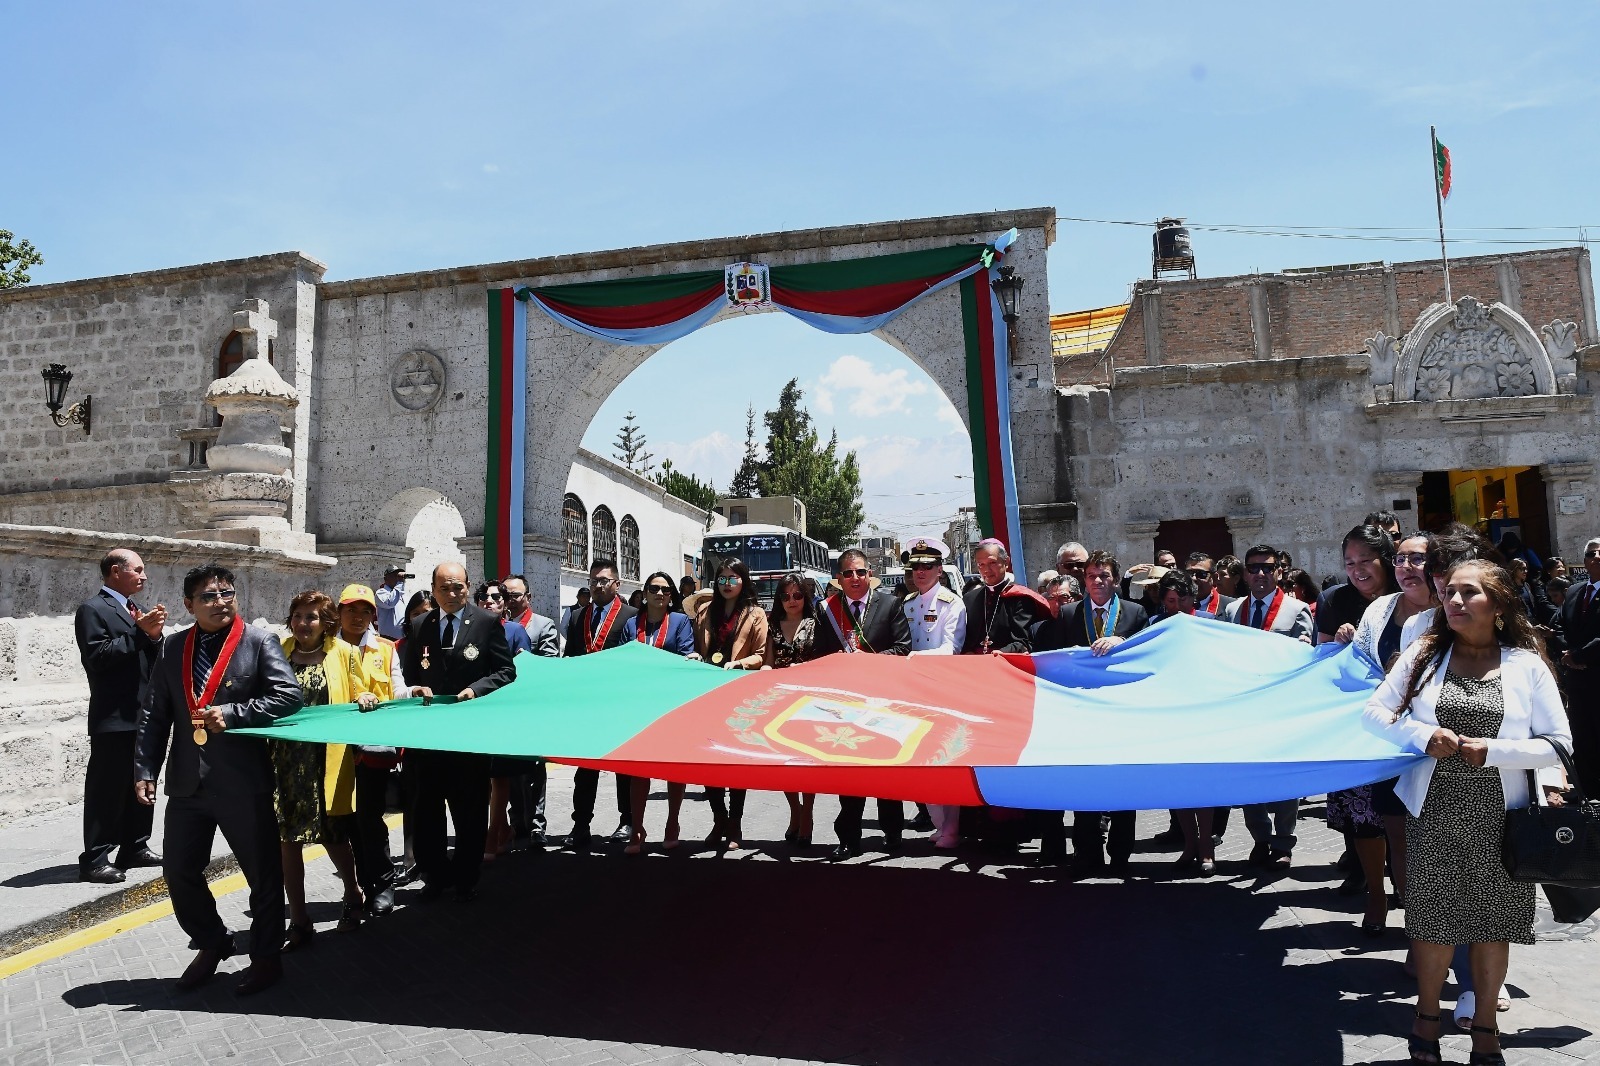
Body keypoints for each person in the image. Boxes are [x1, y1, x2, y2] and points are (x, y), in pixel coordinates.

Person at [1362, 559, 1569, 1066]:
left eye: (1468, 593)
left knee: (1492, 926)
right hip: (1434, 809)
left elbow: (1560, 745)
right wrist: (1420, 734)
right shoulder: (1426, 654)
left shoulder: (1525, 664)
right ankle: (1426, 1021)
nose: (1453, 601)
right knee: (1435, 923)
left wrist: (1494, 751)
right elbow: (1374, 713)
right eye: (1449, 592)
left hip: (1504, 815)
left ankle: (1486, 1031)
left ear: (1496, 606)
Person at [134, 564, 301, 994]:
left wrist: (232, 714)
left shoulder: (258, 641)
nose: (220, 602)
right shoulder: (173, 648)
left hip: (243, 779)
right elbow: (155, 713)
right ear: (188, 605)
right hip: (189, 782)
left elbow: (288, 697)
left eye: (227, 593)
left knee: (262, 873)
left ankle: (266, 957)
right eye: (208, 596)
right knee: (178, 869)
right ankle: (211, 942)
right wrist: (145, 768)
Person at [398, 562, 516, 901]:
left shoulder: (486, 622)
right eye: (445, 587)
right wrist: (415, 690)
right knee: (427, 810)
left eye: (458, 587)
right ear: (433, 589)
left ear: (468, 587)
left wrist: (477, 689)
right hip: (429, 736)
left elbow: (506, 671)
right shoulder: (421, 624)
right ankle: (435, 875)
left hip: (468, 735)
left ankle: (466, 877)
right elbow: (408, 676)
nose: (452, 594)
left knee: (470, 810)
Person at [276, 590, 376, 946]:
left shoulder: (345, 653)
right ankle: (299, 919)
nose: (304, 623)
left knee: (334, 836)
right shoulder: (278, 651)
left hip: (327, 761)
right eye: (299, 616)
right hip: (285, 762)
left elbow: (361, 692)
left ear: (326, 623)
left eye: (312, 617)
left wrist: (364, 697)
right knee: (287, 839)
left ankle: (352, 893)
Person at [1042, 550, 1150, 876]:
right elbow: (1057, 660)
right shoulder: (1069, 615)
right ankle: (1087, 852)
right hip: (1082, 715)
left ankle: (1120, 853)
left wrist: (1123, 641)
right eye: (1091, 576)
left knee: (1122, 784)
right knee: (1084, 783)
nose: (1098, 581)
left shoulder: (1135, 613)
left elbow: (1146, 659)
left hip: (1121, 715)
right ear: (1084, 581)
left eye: (1104, 575)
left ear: (1115, 579)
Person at [812, 547, 911, 859]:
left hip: (883, 699)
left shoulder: (891, 604)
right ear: (839, 579)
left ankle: (893, 832)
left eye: (861, 572)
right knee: (849, 771)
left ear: (870, 575)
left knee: (886, 769)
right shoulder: (827, 608)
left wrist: (869, 662)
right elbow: (818, 655)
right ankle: (849, 838)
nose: (855, 578)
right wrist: (836, 663)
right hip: (845, 703)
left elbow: (902, 648)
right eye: (848, 573)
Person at [74, 549, 165, 883]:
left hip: (144, 714)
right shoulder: (93, 609)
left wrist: (155, 636)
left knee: (142, 783)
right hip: (113, 716)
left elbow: (150, 656)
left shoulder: (135, 610)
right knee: (107, 788)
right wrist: (141, 633)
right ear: (116, 571)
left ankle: (135, 846)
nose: (143, 576)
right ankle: (95, 857)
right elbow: (97, 656)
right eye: (137, 570)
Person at [1221, 544, 1314, 867]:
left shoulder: (1296, 610)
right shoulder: (1234, 612)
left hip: (1282, 708)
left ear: (1278, 572)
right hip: (1246, 709)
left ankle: (1284, 841)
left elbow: (1306, 659)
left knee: (1286, 777)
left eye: (1266, 568)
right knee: (1249, 777)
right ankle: (1260, 837)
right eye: (1253, 568)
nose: (1259, 574)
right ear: (1245, 573)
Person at [334, 584, 406, 918]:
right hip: (335, 750)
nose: (358, 617)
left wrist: (413, 691)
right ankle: (360, 885)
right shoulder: (327, 648)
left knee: (369, 819)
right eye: (351, 609)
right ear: (339, 612)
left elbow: (398, 688)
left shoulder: (387, 649)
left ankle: (382, 886)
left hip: (372, 751)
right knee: (345, 822)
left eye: (365, 611)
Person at [687, 557, 769, 849]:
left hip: (738, 693)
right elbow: (698, 647)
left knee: (735, 761)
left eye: (732, 578)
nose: (726, 584)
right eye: (721, 578)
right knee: (708, 760)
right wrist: (696, 656)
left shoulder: (756, 613)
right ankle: (718, 817)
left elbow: (761, 654)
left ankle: (735, 823)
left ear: (743, 580)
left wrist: (740, 663)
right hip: (708, 693)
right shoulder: (706, 611)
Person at [561, 559, 637, 851]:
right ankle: (581, 824)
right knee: (585, 768)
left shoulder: (630, 616)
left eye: (604, 580)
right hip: (587, 705)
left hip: (619, 704)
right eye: (594, 580)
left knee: (623, 767)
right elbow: (572, 655)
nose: (598, 585)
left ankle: (627, 820)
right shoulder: (578, 616)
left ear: (617, 584)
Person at [620, 572, 697, 853]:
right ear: (645, 593)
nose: (660, 594)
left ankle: (672, 822)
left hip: (671, 704)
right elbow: (623, 659)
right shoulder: (631, 624)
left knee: (672, 766)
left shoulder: (679, 622)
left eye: (666, 590)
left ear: (672, 595)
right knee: (638, 770)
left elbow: (687, 652)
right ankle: (637, 829)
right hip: (640, 706)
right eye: (654, 588)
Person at [900, 538, 968, 847]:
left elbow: (950, 649)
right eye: (915, 566)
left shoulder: (951, 603)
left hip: (941, 690)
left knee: (943, 762)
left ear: (939, 570)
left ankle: (951, 829)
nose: (920, 572)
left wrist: (916, 658)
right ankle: (939, 824)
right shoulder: (908, 604)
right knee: (917, 761)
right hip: (913, 691)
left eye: (927, 566)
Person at [492, 573, 560, 852]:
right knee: (506, 773)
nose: (509, 600)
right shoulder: (491, 626)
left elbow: (547, 666)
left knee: (533, 770)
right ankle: (514, 822)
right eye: (504, 594)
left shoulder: (543, 626)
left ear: (528, 597)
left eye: (515, 595)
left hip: (530, 709)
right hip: (501, 712)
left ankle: (536, 825)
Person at [765, 572, 818, 846]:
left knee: (806, 762)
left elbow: (824, 661)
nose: (792, 600)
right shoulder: (772, 624)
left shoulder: (815, 623)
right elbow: (768, 661)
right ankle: (794, 811)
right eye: (785, 596)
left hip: (809, 701)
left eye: (797, 595)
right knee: (784, 762)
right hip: (780, 700)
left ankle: (807, 813)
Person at [1554, 537, 1600, 797]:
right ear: (1584, 561)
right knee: (1581, 736)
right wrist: (1567, 653)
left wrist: (1580, 655)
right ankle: (1586, 790)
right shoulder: (1574, 591)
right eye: (1592, 554)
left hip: (1596, 671)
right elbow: (1559, 623)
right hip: (1577, 680)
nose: (1597, 557)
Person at [962, 539, 1045, 654]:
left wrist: (1001, 653)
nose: (986, 570)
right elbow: (962, 638)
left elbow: (1023, 641)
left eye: (992, 563)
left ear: (1006, 562)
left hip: (1004, 663)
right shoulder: (969, 598)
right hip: (973, 665)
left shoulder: (1020, 598)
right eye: (981, 564)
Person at [1185, 551, 1234, 618]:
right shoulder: (1175, 604)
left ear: (1214, 578)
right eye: (1189, 573)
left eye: (1201, 574)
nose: (1194, 578)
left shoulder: (1232, 606)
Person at [374, 564, 411, 641]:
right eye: (395, 575)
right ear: (386, 578)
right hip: (388, 639)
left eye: (398, 575)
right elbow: (390, 602)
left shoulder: (401, 594)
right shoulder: (381, 593)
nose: (397, 578)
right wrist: (400, 583)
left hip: (403, 638)